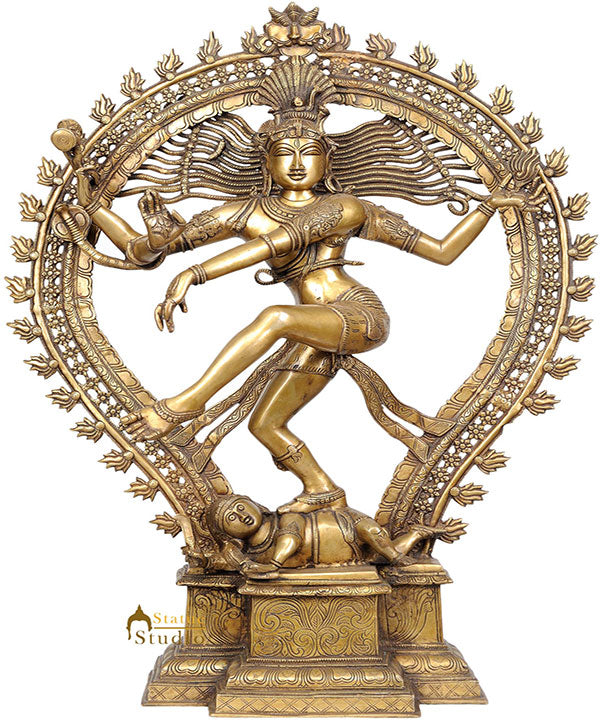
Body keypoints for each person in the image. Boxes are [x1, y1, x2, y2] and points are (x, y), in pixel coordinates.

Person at [76, 57, 537, 513]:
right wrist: (99, 209)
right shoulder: (245, 211)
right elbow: (142, 251)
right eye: (284, 153)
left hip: (356, 316)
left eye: (310, 152)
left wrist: (490, 205)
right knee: (266, 425)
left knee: (275, 317)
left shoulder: (345, 208)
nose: (297, 164)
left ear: (327, 159)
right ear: (266, 160)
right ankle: (322, 490)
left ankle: (185, 404)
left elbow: (441, 250)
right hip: (310, 330)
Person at [204, 494, 442, 579]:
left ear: (254, 504)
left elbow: (292, 538)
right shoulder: (252, 554)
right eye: (231, 518)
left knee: (378, 541)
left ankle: (399, 557)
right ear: (228, 533)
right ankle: (415, 534)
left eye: (241, 507)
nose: (242, 516)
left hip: (347, 526)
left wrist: (275, 564)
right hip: (342, 558)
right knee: (373, 558)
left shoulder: (285, 517)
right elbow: (227, 559)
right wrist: (206, 559)